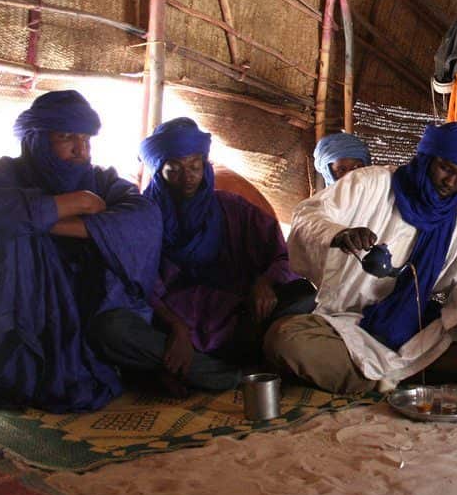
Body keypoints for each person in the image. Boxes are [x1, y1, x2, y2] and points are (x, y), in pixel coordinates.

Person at [0, 90, 161, 412]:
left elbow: (143, 218)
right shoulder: (5, 174)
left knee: (21, 226)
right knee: (17, 240)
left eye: (86, 139)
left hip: (82, 298)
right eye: (66, 137)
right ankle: (18, 365)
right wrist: (74, 204)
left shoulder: (98, 179)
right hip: (13, 306)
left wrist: (44, 220)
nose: (81, 150)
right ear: (37, 140)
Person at [265, 122, 457, 393]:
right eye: (445, 168)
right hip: (346, 321)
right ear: (426, 158)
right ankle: (415, 374)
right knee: (285, 339)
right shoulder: (371, 183)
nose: (450, 183)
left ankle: (401, 372)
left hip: (415, 324)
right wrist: (339, 234)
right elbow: (308, 215)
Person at [109, 117, 316, 395]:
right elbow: (138, 284)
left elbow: (282, 256)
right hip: (170, 319)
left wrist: (264, 282)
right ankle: (221, 373)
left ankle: (184, 371)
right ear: (159, 171)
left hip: (239, 318)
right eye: (175, 169)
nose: (188, 176)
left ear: (205, 165)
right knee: (112, 327)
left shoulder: (233, 208)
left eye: (195, 166)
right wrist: (177, 328)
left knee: (302, 294)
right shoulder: (145, 216)